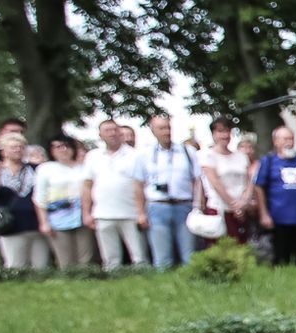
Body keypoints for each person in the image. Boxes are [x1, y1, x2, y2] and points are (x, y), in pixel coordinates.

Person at [140, 115, 203, 269]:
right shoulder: (145, 155)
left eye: (168, 127)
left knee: (189, 254)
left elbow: (198, 180)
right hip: (157, 206)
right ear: (153, 131)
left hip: (184, 205)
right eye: (161, 128)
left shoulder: (187, 152)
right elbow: (139, 184)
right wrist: (140, 212)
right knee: (162, 257)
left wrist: (198, 205)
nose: (166, 132)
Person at [0, 132, 50, 269]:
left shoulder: (35, 168)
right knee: (15, 265)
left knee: (41, 265)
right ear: (4, 151)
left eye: (21, 147)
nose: (17, 150)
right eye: (13, 147)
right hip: (10, 225)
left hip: (34, 223)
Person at [82, 119, 145, 268]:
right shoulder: (93, 156)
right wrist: (86, 212)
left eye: (115, 130)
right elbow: (87, 186)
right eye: (107, 131)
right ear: (100, 135)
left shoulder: (135, 155)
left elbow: (139, 185)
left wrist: (141, 212)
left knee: (139, 254)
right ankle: (113, 278)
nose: (112, 134)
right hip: (103, 213)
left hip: (130, 212)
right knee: (110, 257)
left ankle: (143, 276)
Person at [254, 125, 296, 264]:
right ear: (276, 141)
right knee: (281, 259)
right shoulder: (268, 161)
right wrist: (264, 213)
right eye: (285, 139)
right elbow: (259, 187)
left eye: (291, 139)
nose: (289, 142)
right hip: (279, 218)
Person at [33, 135, 95, 269]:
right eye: (58, 147)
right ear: (51, 150)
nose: (63, 150)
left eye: (66, 146)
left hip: (82, 216)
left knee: (86, 256)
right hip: (57, 218)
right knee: (64, 259)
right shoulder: (45, 169)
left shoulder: (83, 167)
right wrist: (44, 222)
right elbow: (40, 198)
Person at [200, 118, 255, 243]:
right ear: (213, 134)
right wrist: (234, 205)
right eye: (220, 131)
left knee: (241, 244)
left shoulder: (241, 156)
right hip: (219, 208)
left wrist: (243, 203)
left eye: (227, 131)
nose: (224, 135)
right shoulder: (208, 156)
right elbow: (216, 183)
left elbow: (248, 182)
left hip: (242, 209)